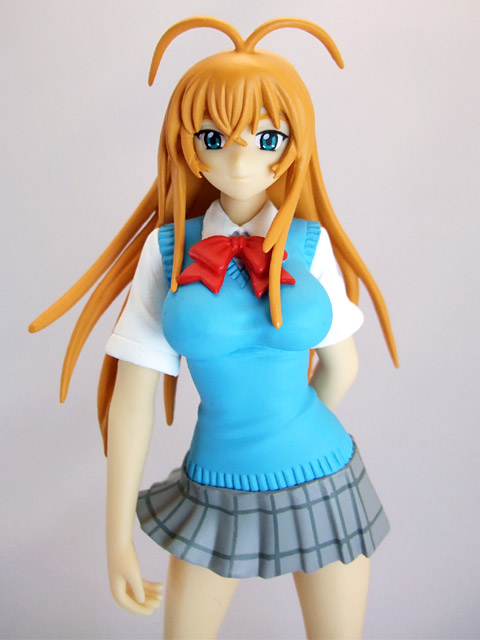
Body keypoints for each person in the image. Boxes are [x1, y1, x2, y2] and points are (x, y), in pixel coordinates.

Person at [30, 17, 398, 639]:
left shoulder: (310, 246)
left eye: (267, 137)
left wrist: (283, 430)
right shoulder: (169, 252)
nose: (241, 158)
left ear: (294, 147)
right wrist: (117, 539)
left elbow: (344, 365)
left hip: (324, 472)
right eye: (214, 136)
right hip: (215, 483)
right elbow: (133, 399)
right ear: (190, 148)